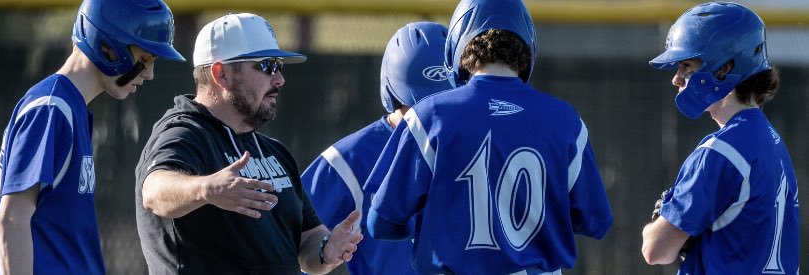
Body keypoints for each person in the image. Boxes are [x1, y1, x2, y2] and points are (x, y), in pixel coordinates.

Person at [364, 0, 613, 274]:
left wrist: (435, 220)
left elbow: (380, 221)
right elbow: (596, 221)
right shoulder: (567, 121)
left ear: (458, 42)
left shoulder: (429, 116)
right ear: (527, 45)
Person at [135, 13, 364, 274]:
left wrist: (326, 249)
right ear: (221, 74)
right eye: (266, 66)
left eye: (279, 65)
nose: (279, 80)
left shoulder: (274, 152)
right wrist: (207, 189)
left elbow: (307, 242)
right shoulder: (184, 131)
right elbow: (153, 192)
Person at [0, 0, 185, 273]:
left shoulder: (64, 106)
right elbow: (8, 220)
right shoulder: (52, 109)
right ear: (108, 47)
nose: (149, 74)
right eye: (145, 59)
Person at [641, 2, 799, 274]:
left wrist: (656, 224)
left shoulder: (720, 151)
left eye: (687, 65)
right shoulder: (773, 141)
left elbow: (655, 251)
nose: (676, 79)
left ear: (724, 68)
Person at [301, 22, 451, 275]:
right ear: (393, 97)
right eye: (418, 105)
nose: (430, 114)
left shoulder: (476, 141)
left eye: (443, 102)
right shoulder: (348, 159)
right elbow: (292, 246)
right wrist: (323, 253)